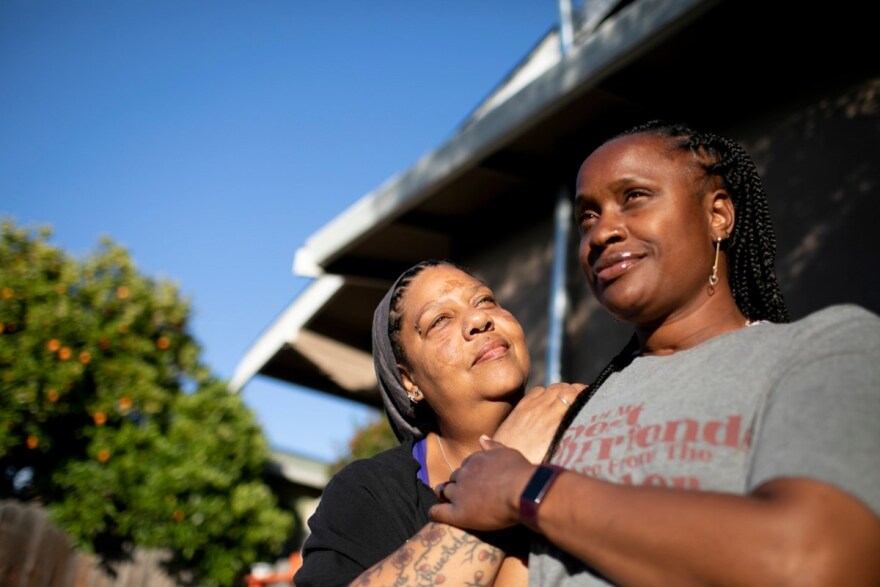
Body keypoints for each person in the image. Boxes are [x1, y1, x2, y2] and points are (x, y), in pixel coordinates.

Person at [429, 120, 880, 586]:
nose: (602, 232)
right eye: (588, 216)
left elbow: (818, 561)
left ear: (718, 215)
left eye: (634, 197)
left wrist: (529, 489)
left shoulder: (822, 348)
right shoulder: (573, 409)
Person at [294, 259, 585, 586]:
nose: (478, 319)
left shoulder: (594, 421)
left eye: (485, 300)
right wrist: (508, 459)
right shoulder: (368, 494)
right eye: (440, 320)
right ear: (409, 381)